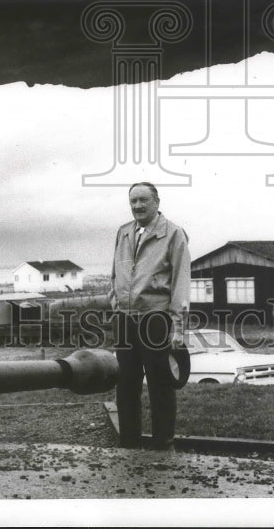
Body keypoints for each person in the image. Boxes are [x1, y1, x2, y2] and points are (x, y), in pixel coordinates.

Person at [109, 182, 191, 451]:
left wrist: (178, 327)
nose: (137, 206)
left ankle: (162, 446)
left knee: (160, 384)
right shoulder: (123, 233)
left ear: (157, 202)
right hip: (125, 319)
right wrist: (115, 304)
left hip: (156, 319)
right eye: (133, 201)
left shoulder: (173, 234)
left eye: (143, 200)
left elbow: (181, 283)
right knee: (125, 384)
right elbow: (115, 275)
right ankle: (129, 444)